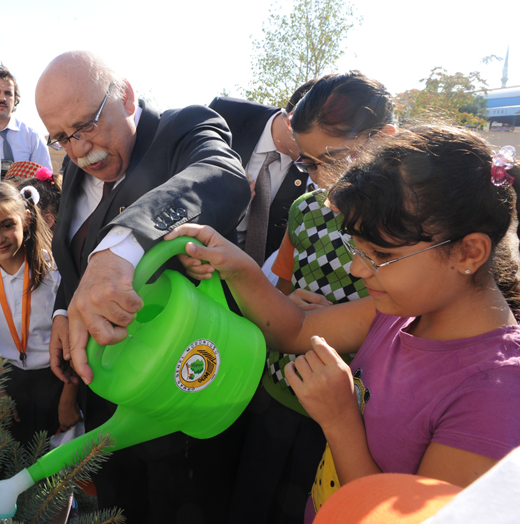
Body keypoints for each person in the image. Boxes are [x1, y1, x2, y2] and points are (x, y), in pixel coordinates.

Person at [168, 126, 520, 523]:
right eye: (358, 249)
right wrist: (236, 265)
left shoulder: (494, 394)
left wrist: (340, 420)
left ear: (468, 252)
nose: (356, 268)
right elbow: (297, 329)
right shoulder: (398, 313)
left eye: (381, 253)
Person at [36, 50, 249, 522]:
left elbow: (221, 176)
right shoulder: (77, 163)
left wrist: (123, 247)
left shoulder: (183, 130)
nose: (78, 150)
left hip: (176, 395)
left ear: (126, 97)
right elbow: (76, 255)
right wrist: (64, 310)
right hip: (104, 389)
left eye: (85, 126)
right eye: (61, 138)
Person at [231, 71, 397, 524]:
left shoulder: (407, 232)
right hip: (275, 393)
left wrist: (342, 324)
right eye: (306, 163)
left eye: (334, 158)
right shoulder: (306, 210)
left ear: (384, 139)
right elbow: (279, 295)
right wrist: (282, 305)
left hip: (350, 419)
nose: (320, 176)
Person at [0, 182, 78, 445]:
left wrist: (70, 396)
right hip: (5, 383)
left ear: (26, 217)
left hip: (56, 381)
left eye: (7, 225)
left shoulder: (54, 269)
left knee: (54, 471)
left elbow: (77, 336)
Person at [209, 80, 316, 271]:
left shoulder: (312, 172)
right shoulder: (225, 113)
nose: (319, 159)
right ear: (292, 120)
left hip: (256, 280)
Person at [0, 65, 52, 174]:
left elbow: (46, 180)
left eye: (8, 93)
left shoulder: (32, 138)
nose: (2, 98)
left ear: (15, 100)